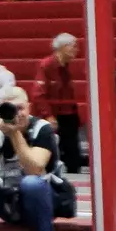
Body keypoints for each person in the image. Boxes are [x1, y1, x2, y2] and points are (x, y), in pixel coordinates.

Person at [0, 87, 75, 231]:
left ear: (29, 107)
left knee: (31, 183)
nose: (17, 114)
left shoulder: (42, 129)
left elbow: (35, 169)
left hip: (43, 199)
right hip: (11, 200)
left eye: (20, 108)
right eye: (11, 109)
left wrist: (14, 133)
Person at [32, 33, 83, 173]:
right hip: (55, 115)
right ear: (62, 47)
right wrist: (48, 115)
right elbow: (38, 94)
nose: (76, 50)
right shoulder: (47, 65)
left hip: (68, 113)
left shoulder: (66, 66)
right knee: (54, 150)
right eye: (73, 47)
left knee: (73, 151)